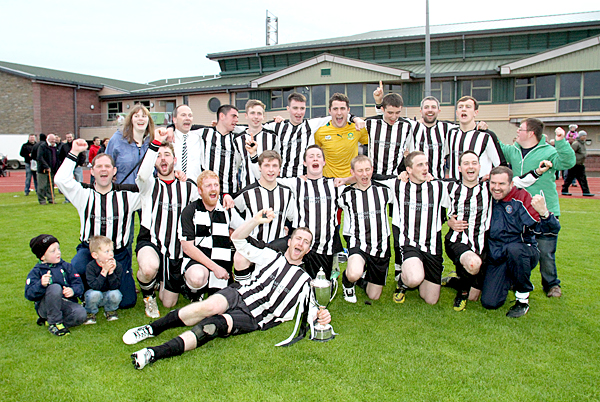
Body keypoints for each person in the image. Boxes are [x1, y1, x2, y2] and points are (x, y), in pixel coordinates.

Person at [123, 209, 330, 370]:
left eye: (306, 242)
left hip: (255, 316)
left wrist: (323, 316)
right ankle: (152, 329)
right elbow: (238, 239)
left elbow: (313, 310)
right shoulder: (270, 255)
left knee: (211, 327)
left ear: (308, 249)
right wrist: (255, 220)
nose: (301, 243)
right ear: (290, 241)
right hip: (241, 292)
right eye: (298, 239)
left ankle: (153, 353)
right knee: (205, 308)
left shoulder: (306, 281)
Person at [444, 152, 551, 311]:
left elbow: (519, 181)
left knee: (478, 293)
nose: (470, 166)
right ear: (459, 168)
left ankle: (519, 294)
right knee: (481, 285)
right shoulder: (452, 187)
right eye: (466, 163)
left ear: (480, 167)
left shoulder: (490, 189)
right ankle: (460, 287)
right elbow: (432, 198)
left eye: (474, 163)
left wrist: (539, 172)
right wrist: (448, 219)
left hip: (495, 247)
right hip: (469, 244)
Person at [54, 139, 140, 309]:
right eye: (99, 166)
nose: (103, 170)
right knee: (76, 267)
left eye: (107, 166)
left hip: (118, 253)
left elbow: (151, 189)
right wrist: (74, 152)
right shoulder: (82, 194)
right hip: (89, 252)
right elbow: (61, 179)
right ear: (92, 171)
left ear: (114, 171)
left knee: (127, 302)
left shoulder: (127, 195)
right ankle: (87, 292)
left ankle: (105, 290)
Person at [497, 119, 575, 298]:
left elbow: (568, 162)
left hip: (543, 210)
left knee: (545, 251)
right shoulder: (513, 151)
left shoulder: (548, 151)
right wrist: (484, 130)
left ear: (531, 133)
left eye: (520, 129)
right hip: (518, 210)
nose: (517, 132)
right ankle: (516, 280)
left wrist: (562, 141)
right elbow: (495, 146)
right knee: (516, 248)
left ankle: (551, 285)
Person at [481, 166, 560, 317]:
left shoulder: (521, 198)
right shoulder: (485, 196)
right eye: (493, 183)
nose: (497, 188)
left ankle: (522, 299)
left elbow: (551, 230)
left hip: (522, 252)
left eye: (502, 184)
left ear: (511, 184)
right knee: (490, 303)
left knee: (514, 250)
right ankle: (511, 279)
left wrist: (544, 213)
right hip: (497, 255)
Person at [135, 131, 199, 318]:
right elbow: (142, 173)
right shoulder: (148, 185)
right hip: (151, 241)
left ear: (175, 159)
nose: (163, 159)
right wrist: (155, 143)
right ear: (154, 161)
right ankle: (148, 296)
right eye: (158, 156)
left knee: (169, 302)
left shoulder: (187, 186)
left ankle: (162, 282)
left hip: (176, 248)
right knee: (148, 268)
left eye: (167, 155)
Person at [277, 145, 345, 279]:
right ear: (304, 162)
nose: (315, 159)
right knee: (293, 282)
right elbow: (267, 179)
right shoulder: (296, 182)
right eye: (311, 156)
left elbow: (361, 180)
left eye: (319, 156)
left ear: (324, 162)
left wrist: (347, 180)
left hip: (324, 247)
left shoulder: (334, 184)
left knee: (320, 289)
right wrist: (254, 156)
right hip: (300, 245)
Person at [391, 151, 450, 305]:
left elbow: (460, 190)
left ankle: (421, 269)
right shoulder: (397, 185)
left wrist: (452, 220)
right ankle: (403, 283)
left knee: (431, 300)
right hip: (409, 243)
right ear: (409, 169)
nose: (425, 168)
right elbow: (373, 178)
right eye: (420, 165)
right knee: (414, 279)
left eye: (426, 164)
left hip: (431, 247)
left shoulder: (438, 186)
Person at [263, 92, 363, 178]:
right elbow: (258, 127)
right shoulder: (278, 126)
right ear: (288, 109)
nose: (299, 112)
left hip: (304, 179)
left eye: (302, 108)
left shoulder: (311, 125)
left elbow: (339, 115)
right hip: (283, 178)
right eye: (295, 108)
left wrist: (356, 119)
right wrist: (274, 119)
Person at [232, 150, 295, 281]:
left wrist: (287, 228)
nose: (271, 170)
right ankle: (243, 294)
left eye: (274, 166)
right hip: (253, 244)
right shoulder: (246, 194)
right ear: (259, 167)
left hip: (277, 246)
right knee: (239, 258)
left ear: (279, 169)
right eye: (266, 165)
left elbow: (293, 218)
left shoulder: (287, 193)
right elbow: (233, 215)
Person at [339, 155, 395, 302]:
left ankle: (362, 279)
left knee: (373, 296)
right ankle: (348, 282)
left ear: (372, 170)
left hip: (381, 245)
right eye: (360, 171)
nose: (364, 174)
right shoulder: (345, 194)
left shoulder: (385, 190)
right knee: (353, 273)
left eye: (367, 170)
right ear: (353, 172)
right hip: (358, 242)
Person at [178, 170, 234, 301]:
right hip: (198, 262)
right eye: (208, 186)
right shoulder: (190, 211)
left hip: (221, 263)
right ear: (200, 190)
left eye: (216, 185)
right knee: (197, 277)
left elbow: (241, 231)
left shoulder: (226, 209)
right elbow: (187, 248)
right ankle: (195, 293)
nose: (213, 189)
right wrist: (215, 268)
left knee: (223, 304)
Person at [25, 234, 86, 336]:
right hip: (46, 307)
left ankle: (51, 321)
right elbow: (29, 294)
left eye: (58, 248)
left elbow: (78, 284)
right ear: (42, 256)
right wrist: (41, 284)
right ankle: (55, 323)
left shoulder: (67, 267)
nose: (58, 252)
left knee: (81, 314)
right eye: (53, 251)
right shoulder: (37, 271)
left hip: (65, 303)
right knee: (55, 288)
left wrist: (73, 291)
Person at [446, 96, 505, 179]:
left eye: (468, 107)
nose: (463, 109)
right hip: (456, 188)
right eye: (460, 107)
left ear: (475, 112)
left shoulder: (486, 135)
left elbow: (499, 165)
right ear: (457, 113)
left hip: (480, 188)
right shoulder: (451, 133)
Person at [314, 93, 369, 178]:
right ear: (329, 111)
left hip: (350, 181)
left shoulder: (357, 129)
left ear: (348, 110)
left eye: (342, 109)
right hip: (329, 182)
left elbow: (374, 143)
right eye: (335, 109)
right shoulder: (320, 132)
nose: (339, 113)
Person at [369, 83, 416, 177]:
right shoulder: (370, 123)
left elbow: (411, 152)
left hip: (395, 177)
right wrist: (378, 101)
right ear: (382, 109)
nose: (394, 117)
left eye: (397, 112)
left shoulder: (406, 126)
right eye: (390, 113)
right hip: (373, 177)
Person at [234, 99, 279, 189]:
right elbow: (235, 166)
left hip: (268, 188)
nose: (256, 117)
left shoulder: (272, 137)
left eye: (259, 113)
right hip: (246, 188)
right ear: (246, 116)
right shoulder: (238, 139)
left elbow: (278, 162)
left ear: (263, 116)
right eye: (252, 113)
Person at [106, 105, 154, 185]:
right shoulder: (117, 140)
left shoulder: (152, 142)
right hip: (123, 191)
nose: (140, 119)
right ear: (131, 120)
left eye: (144, 116)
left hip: (146, 193)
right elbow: (106, 164)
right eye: (136, 116)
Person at [83, 235, 123, 324]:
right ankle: (90, 311)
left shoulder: (117, 266)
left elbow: (116, 286)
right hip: (95, 294)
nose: (111, 254)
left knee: (116, 294)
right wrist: (104, 271)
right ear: (95, 255)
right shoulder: (90, 267)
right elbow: (94, 286)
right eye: (107, 251)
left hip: (107, 295)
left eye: (112, 250)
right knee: (94, 294)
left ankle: (110, 310)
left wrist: (111, 272)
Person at [171, 105, 203, 182]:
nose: (187, 118)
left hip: (195, 188)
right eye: (183, 115)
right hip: (174, 187)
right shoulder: (168, 139)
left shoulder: (200, 138)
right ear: (174, 119)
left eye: (190, 115)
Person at [562, 130, 594, 196]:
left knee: (583, 179)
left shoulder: (582, 144)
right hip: (575, 164)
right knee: (569, 178)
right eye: (583, 136)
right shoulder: (576, 144)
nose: (585, 137)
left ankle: (586, 192)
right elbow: (571, 152)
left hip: (580, 164)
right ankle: (564, 190)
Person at [36, 134, 60, 205]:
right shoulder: (42, 147)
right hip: (43, 170)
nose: (53, 141)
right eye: (52, 140)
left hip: (53, 169)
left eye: (54, 140)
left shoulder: (55, 147)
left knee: (51, 185)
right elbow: (39, 158)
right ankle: (42, 200)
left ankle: (51, 199)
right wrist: (46, 166)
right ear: (48, 139)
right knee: (42, 186)